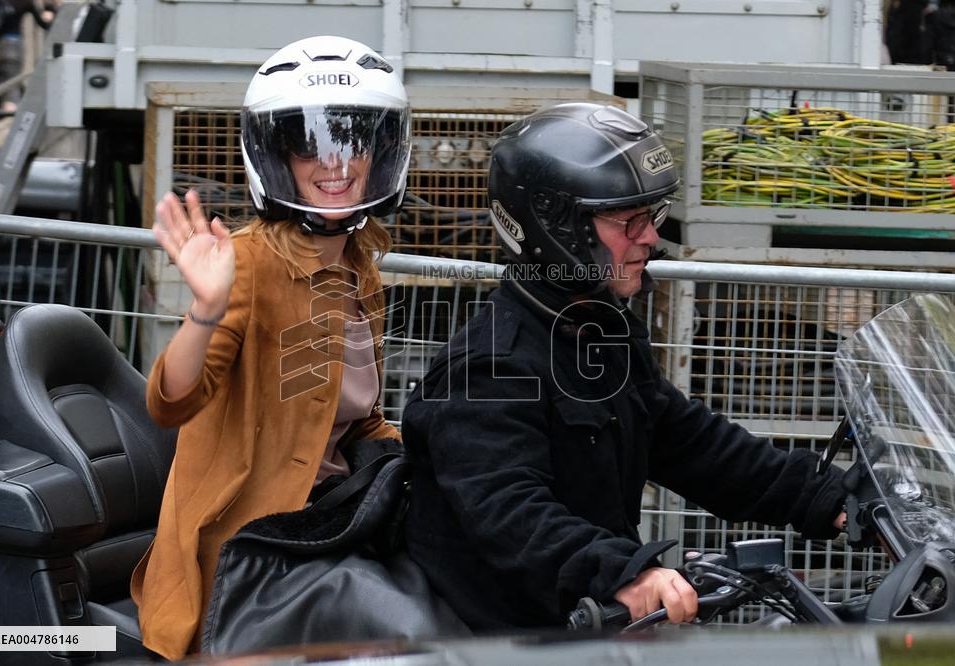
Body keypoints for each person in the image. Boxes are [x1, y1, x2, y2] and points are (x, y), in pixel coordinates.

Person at [401, 103, 847, 631]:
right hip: (502, 642)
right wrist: (623, 575)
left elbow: (690, 442)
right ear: (556, 228)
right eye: (628, 221)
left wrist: (828, 496)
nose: (650, 237)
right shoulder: (488, 367)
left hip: (593, 634)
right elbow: (510, 513)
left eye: (651, 215)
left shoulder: (597, 333)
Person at [130, 35, 410, 660]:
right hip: (252, 553)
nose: (334, 162)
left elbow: (357, 421)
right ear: (278, 158)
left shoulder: (359, 269)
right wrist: (206, 309)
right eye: (308, 144)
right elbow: (171, 402)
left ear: (382, 152)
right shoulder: (248, 265)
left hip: (333, 524)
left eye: (354, 141)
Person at [0, 0, 57, 110]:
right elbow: (45, 22)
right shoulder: (25, 2)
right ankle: (10, 116)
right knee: (10, 94)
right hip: (12, 49)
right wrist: (50, 8)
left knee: (4, 88)